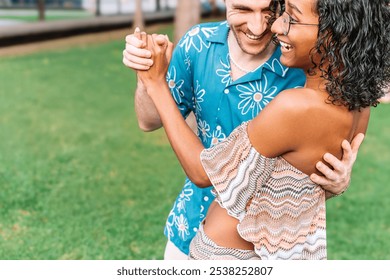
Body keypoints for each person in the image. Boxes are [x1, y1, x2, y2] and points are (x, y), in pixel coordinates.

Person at [136, 0, 390, 260]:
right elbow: (295, 184)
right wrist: (334, 185)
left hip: (227, 256)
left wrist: (156, 83)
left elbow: (204, 173)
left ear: (335, 32)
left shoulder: (295, 105)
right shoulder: (358, 104)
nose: (275, 26)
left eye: (289, 16)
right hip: (215, 234)